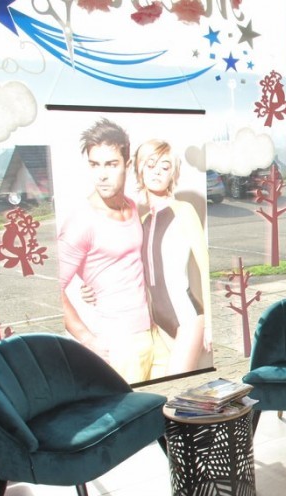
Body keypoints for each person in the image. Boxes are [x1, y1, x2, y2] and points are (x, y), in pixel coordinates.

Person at [57, 118, 166, 383]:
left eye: (111, 164)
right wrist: (87, 339)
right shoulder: (81, 221)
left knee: (162, 404)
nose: (101, 175)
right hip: (117, 343)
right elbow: (54, 287)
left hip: (152, 334)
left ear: (127, 165)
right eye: (95, 164)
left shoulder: (132, 206)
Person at [133, 139, 212, 377]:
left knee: (178, 386)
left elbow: (205, 267)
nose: (157, 171)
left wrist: (210, 324)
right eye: (151, 165)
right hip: (158, 322)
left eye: (165, 167)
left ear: (173, 174)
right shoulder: (143, 221)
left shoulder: (184, 210)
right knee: (169, 390)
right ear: (140, 169)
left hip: (188, 318)